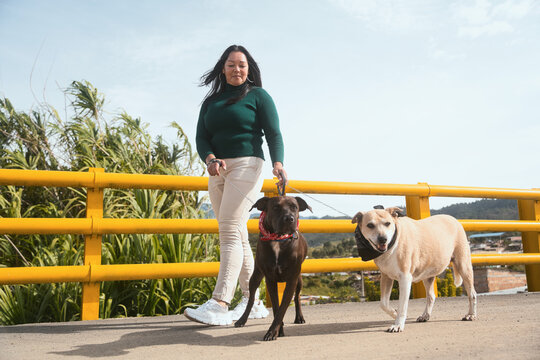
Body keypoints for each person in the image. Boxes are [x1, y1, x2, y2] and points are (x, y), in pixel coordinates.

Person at [184, 45, 287, 325]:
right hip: (218, 170)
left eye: (242, 65)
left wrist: (278, 163)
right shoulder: (211, 102)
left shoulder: (259, 97)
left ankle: (220, 302)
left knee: (229, 230)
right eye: (231, 65)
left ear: (249, 69)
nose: (237, 69)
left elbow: (273, 133)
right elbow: (201, 138)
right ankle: (252, 301)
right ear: (223, 68)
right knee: (237, 233)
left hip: (247, 165)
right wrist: (210, 158)